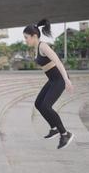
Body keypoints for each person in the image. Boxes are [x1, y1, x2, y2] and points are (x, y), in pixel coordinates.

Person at [23, 19, 75, 149]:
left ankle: (64, 133)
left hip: (59, 80)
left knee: (46, 106)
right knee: (38, 104)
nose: (25, 40)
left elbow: (58, 61)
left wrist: (66, 80)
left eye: (26, 38)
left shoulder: (43, 46)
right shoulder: (36, 47)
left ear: (34, 36)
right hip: (52, 80)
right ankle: (54, 128)